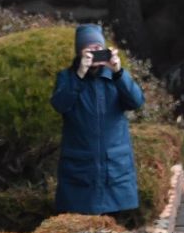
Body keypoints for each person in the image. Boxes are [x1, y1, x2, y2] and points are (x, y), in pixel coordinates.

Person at [51, 24, 145, 222]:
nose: (95, 53)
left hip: (114, 168)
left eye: (98, 48)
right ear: (80, 51)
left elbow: (136, 102)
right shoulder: (67, 77)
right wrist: (80, 74)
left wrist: (119, 72)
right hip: (80, 168)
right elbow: (60, 105)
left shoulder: (115, 77)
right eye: (89, 49)